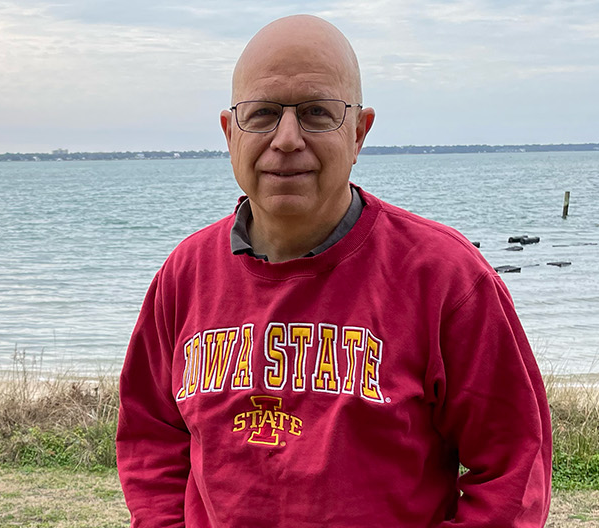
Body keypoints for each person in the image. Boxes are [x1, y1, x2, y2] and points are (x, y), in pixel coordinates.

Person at [115, 14, 551, 528]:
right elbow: (150, 439)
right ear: (230, 133)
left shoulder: (445, 278)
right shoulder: (184, 276)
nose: (286, 139)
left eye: (318, 113)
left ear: (360, 133)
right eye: (263, 114)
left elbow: (513, 469)